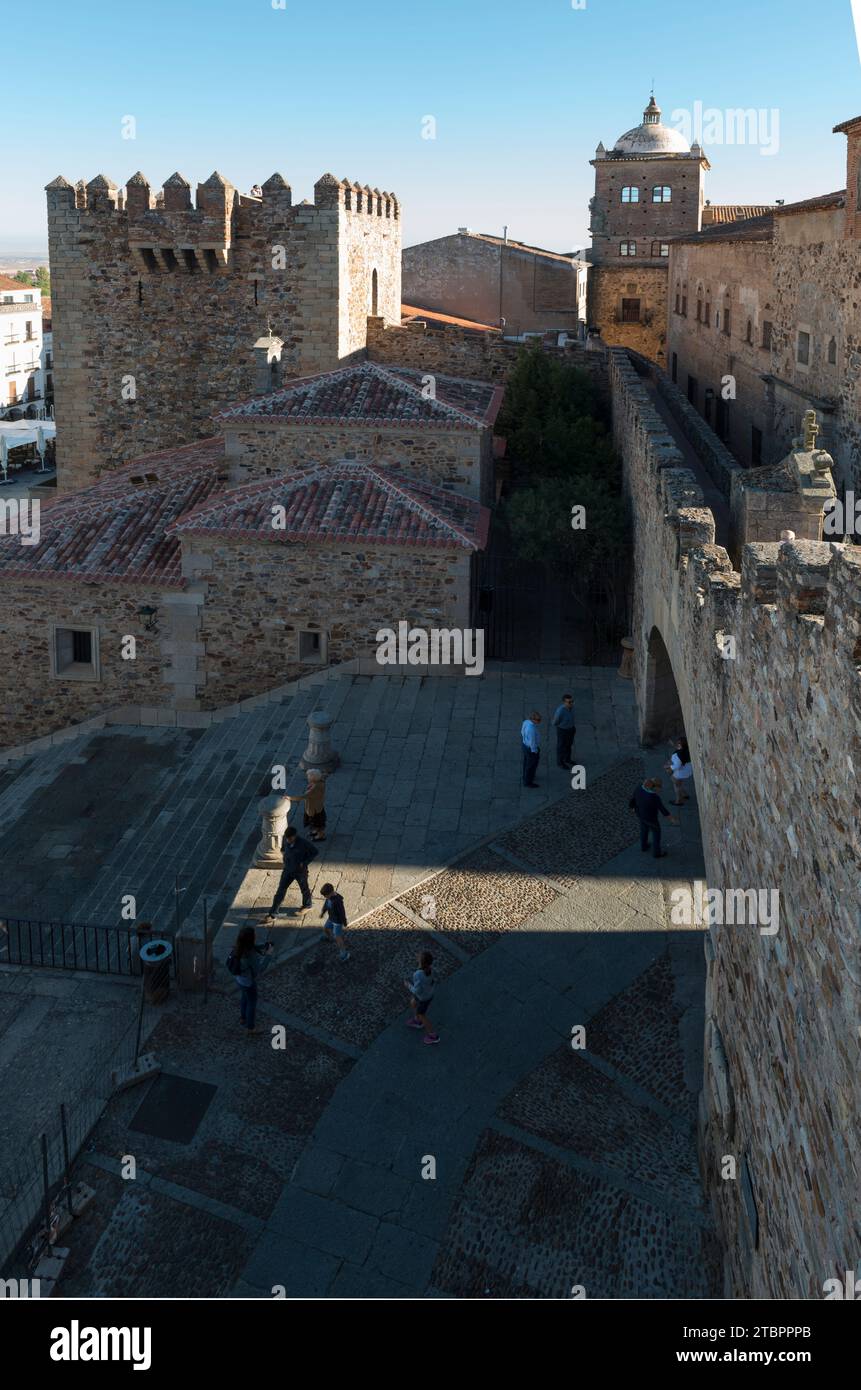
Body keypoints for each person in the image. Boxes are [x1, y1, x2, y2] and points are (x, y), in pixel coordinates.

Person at [265, 825, 318, 922]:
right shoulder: (286, 840)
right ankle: (273, 914)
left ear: (294, 836)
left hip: (300, 871)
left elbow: (315, 852)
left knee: (304, 889)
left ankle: (307, 905)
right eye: (287, 838)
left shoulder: (303, 843)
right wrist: (285, 858)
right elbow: (283, 849)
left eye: (290, 838)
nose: (288, 840)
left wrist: (304, 863)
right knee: (280, 890)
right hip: (288, 870)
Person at [229, 926, 273, 1034]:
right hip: (248, 982)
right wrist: (268, 955)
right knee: (252, 1003)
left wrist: (264, 945)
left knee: (244, 997)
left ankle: (243, 1017)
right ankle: (251, 1028)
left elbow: (252, 947)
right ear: (251, 938)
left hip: (239, 979)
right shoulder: (250, 955)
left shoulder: (237, 947)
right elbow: (260, 969)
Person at [629, 777, 679, 858]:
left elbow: (633, 798)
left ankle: (644, 846)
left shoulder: (639, 787)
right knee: (656, 834)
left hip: (640, 815)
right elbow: (662, 809)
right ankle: (656, 853)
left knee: (644, 830)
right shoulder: (654, 797)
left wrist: (632, 807)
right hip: (651, 819)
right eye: (659, 787)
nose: (660, 789)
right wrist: (671, 819)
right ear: (654, 787)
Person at [404, 950, 439, 1045]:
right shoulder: (430, 969)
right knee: (413, 1002)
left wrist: (408, 985)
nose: (418, 956)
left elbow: (416, 991)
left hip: (424, 997)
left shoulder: (418, 974)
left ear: (421, 962)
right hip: (428, 993)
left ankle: (433, 1036)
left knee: (422, 1014)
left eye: (419, 956)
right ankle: (417, 1020)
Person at [319, 882, 349, 962]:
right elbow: (326, 905)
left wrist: (344, 922)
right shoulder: (328, 898)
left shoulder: (338, 901)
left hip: (337, 922)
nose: (325, 897)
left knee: (338, 937)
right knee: (325, 928)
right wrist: (323, 912)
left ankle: (344, 954)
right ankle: (329, 938)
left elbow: (342, 912)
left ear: (331, 893)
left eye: (325, 895)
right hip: (331, 918)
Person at [301, 768, 327, 841]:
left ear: (313, 779)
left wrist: (290, 798)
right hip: (317, 807)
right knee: (315, 822)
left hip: (315, 809)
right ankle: (316, 831)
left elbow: (302, 797)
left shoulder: (314, 788)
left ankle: (320, 836)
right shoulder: (320, 782)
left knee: (317, 823)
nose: (307, 778)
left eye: (308, 777)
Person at [665, 738, 693, 806]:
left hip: (681, 772)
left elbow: (677, 765)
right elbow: (679, 748)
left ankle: (678, 800)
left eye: (678, 743)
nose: (677, 744)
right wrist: (673, 744)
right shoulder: (686, 749)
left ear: (681, 745)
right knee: (678, 783)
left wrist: (668, 767)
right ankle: (684, 794)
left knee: (676, 784)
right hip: (687, 770)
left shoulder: (679, 755)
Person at [552, 694, 577, 769]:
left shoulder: (572, 708)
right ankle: (560, 762)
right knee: (561, 746)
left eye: (572, 701)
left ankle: (567, 759)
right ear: (564, 702)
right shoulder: (560, 711)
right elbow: (555, 722)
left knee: (569, 745)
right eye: (569, 702)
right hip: (563, 730)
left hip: (571, 729)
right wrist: (563, 725)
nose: (572, 703)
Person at [521, 711, 542, 788]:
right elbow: (532, 742)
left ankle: (525, 777)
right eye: (538, 720)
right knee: (531, 765)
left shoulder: (526, 722)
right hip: (531, 749)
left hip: (525, 746)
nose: (540, 721)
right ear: (533, 719)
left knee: (526, 763)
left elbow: (522, 732)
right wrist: (535, 751)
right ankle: (528, 781)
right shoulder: (531, 729)